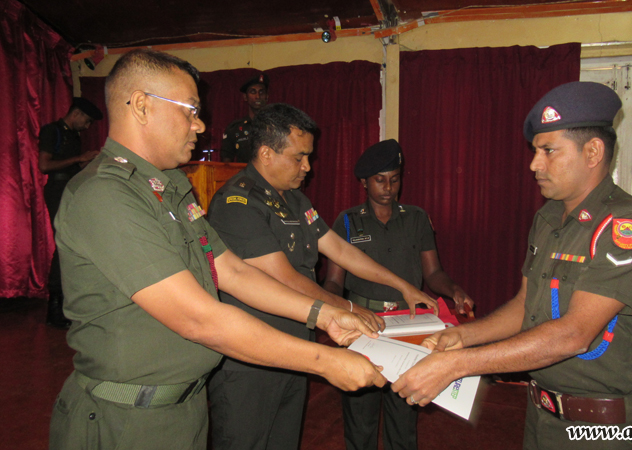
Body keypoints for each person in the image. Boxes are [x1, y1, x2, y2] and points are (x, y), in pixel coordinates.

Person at [48, 49, 386, 450]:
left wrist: (326, 315)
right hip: (125, 419)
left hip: (185, 407)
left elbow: (233, 271)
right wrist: (325, 361)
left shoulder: (171, 187)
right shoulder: (105, 194)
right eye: (190, 110)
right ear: (141, 105)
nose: (200, 124)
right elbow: (198, 319)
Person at [391, 82, 632, 450]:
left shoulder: (628, 226)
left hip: (603, 429)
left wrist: (457, 365)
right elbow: (526, 307)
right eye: (535, 151)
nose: (534, 164)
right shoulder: (549, 218)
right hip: (541, 416)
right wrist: (463, 337)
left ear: (592, 152)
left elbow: (574, 334)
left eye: (548, 151)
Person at [206, 104, 439, 450]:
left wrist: (403, 287)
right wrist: (349, 308)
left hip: (295, 348)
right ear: (266, 154)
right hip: (250, 360)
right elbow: (285, 278)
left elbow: (341, 250)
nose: (307, 167)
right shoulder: (238, 202)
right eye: (299, 157)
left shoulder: (296, 200)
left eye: (308, 157)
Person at [322, 138, 473, 450]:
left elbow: (433, 273)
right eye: (380, 180)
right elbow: (334, 282)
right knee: (360, 416)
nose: (388, 188)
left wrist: (454, 290)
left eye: (394, 179)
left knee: (404, 415)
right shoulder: (347, 221)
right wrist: (334, 310)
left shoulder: (416, 218)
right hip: (364, 326)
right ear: (364, 182)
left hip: (409, 326)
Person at [38, 97, 103, 328]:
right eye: (87, 121)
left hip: (72, 188)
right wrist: (78, 158)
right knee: (63, 244)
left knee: (75, 244)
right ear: (76, 114)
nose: (87, 126)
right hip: (57, 189)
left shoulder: (74, 135)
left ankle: (72, 302)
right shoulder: (52, 131)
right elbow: (44, 165)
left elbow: (74, 167)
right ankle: (55, 306)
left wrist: (90, 161)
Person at [220, 71, 269, 162]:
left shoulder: (276, 126)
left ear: (267, 96)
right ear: (245, 97)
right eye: (253, 92)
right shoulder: (234, 128)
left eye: (261, 92)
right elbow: (226, 163)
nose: (257, 96)